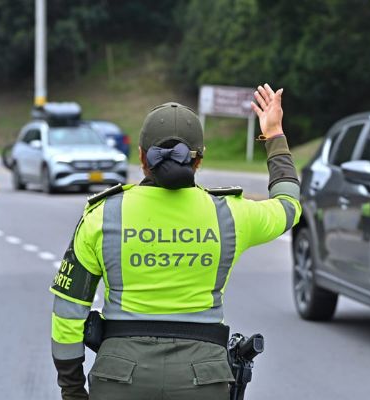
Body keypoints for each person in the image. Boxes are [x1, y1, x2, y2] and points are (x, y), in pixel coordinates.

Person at [50, 84, 300, 399]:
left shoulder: (104, 215)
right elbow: (289, 206)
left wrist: (72, 391)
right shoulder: (231, 215)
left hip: (120, 378)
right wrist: (273, 134)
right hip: (203, 380)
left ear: (141, 156)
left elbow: (68, 311)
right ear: (199, 160)